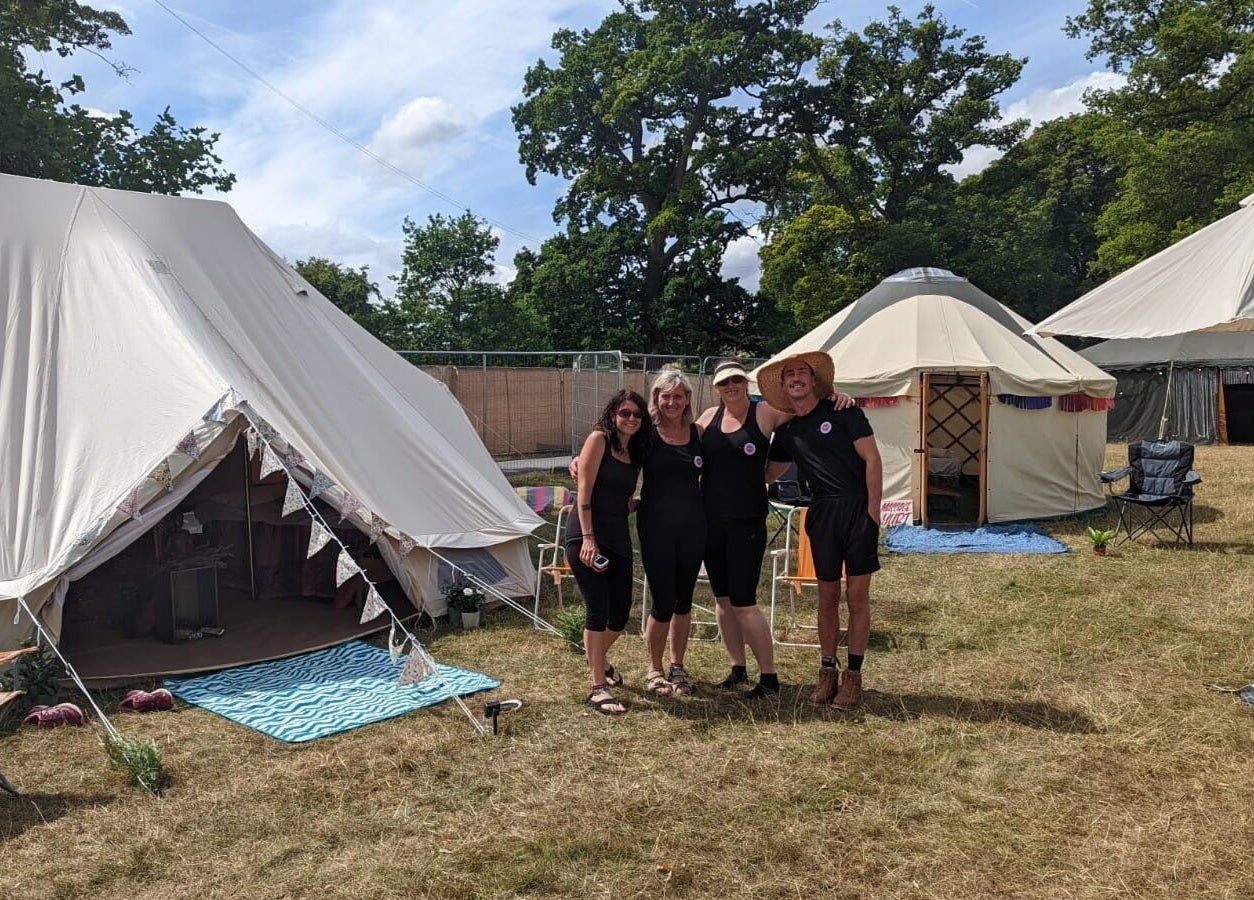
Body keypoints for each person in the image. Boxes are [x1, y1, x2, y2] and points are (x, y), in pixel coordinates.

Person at [762, 351, 883, 711]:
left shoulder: (844, 411)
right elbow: (767, 473)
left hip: (856, 509)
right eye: (789, 375)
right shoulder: (787, 431)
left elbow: (873, 459)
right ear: (783, 385)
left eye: (803, 372)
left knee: (857, 598)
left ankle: (854, 677)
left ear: (814, 381)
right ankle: (827, 671)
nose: (796, 378)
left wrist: (873, 513)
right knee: (827, 597)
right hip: (821, 513)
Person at [695, 359, 798, 698]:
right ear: (716, 388)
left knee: (743, 601)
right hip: (711, 523)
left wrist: (836, 396)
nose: (731, 387)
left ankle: (769, 678)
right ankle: (737, 667)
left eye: (737, 380)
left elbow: (802, 408)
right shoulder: (707, 419)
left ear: (746, 382)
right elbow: (672, 442)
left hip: (747, 523)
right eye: (725, 383)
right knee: (723, 600)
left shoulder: (764, 412)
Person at [567, 389, 651, 715]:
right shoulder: (598, 439)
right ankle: (598, 688)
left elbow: (622, 499)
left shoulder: (636, 451)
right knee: (598, 610)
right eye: (624, 412)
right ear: (613, 414)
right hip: (587, 535)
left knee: (620, 613)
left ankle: (598, 660)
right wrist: (588, 539)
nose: (631, 418)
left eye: (637, 414)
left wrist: (645, 504)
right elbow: (584, 492)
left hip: (617, 536)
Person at [635, 367, 705, 697]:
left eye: (678, 396)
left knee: (684, 600)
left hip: (693, 525)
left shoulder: (698, 433)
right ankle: (655, 668)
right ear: (656, 398)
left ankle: (678, 666)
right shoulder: (645, 433)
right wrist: (580, 462)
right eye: (666, 396)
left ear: (687, 398)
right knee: (663, 600)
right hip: (655, 526)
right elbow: (612, 451)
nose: (672, 402)